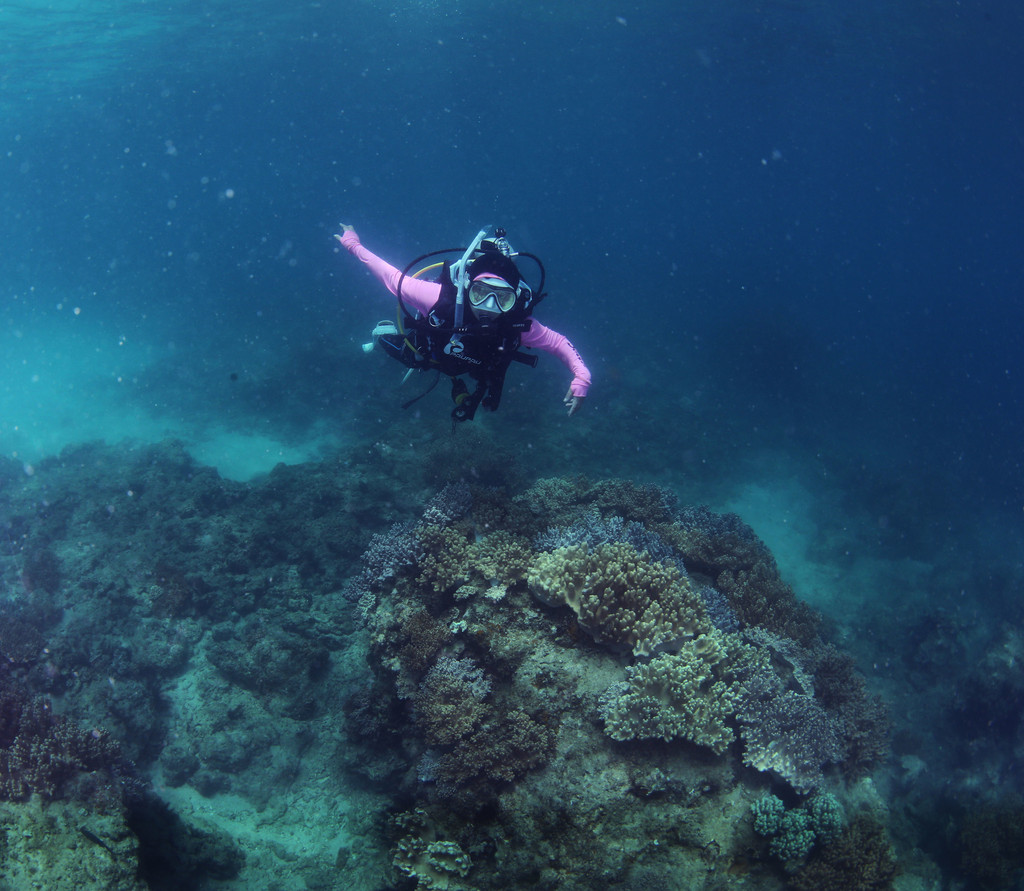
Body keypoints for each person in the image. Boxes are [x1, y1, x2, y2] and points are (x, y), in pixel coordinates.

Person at [334, 223, 591, 425]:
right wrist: (352, 244)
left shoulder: (518, 323)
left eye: (502, 298)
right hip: (428, 354)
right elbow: (391, 276)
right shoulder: (438, 299)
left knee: (482, 387)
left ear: (514, 300)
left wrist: (582, 375)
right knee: (402, 352)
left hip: (469, 365)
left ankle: (457, 384)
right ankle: (380, 333)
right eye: (481, 293)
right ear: (467, 288)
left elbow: (559, 343)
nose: (489, 307)